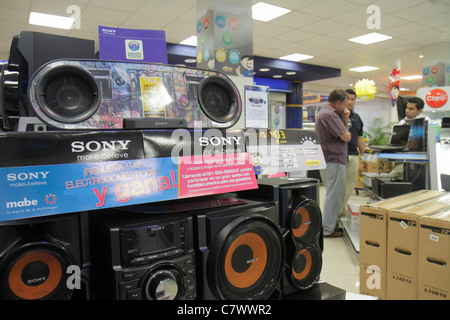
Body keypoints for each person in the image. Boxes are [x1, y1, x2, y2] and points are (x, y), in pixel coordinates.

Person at [315, 89, 351, 237]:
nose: (347, 105)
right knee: (334, 194)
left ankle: (330, 225)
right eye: (345, 103)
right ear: (338, 103)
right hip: (333, 159)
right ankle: (328, 229)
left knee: (335, 193)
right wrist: (345, 119)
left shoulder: (327, 112)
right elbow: (346, 136)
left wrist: (344, 117)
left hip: (332, 159)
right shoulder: (329, 114)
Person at [339, 89, 365, 219]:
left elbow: (360, 138)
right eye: (347, 98)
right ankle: (336, 215)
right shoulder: (335, 116)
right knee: (337, 189)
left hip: (353, 155)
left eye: (352, 99)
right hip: (337, 156)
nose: (350, 102)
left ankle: (340, 215)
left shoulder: (356, 118)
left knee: (348, 187)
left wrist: (365, 155)